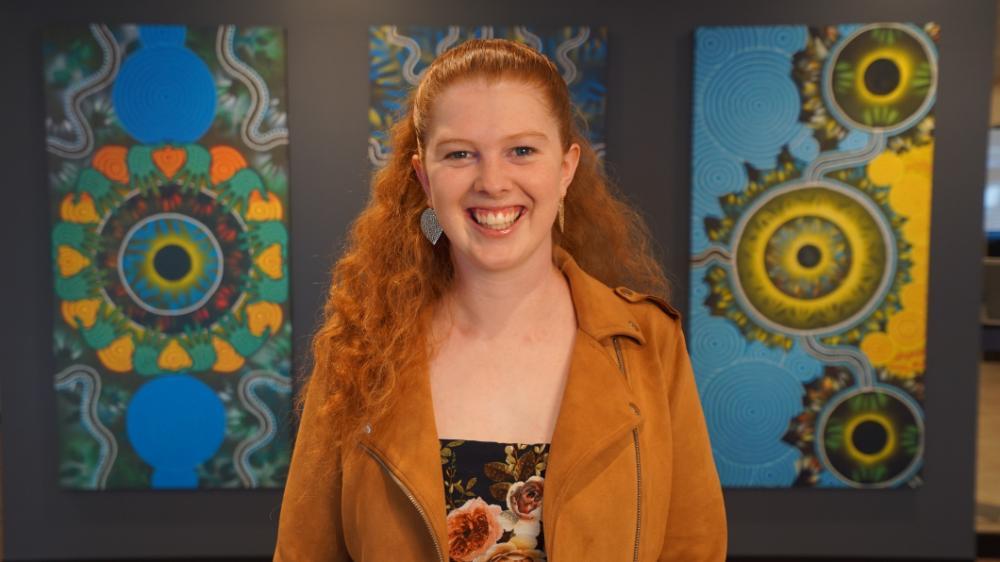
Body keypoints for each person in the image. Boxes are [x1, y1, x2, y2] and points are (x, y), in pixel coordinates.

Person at [274, 38, 726, 561]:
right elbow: (303, 553)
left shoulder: (649, 344)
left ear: (566, 168)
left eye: (522, 151)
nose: (492, 182)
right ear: (424, 177)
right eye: (461, 154)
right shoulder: (358, 352)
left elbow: (694, 549)